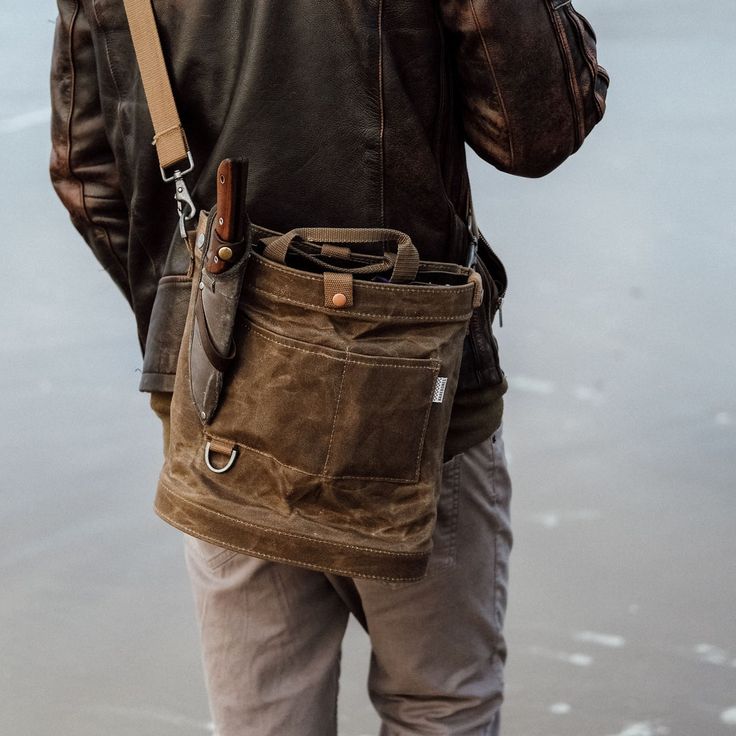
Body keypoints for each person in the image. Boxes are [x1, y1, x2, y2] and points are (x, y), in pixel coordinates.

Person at [50, 1, 608, 734]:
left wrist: (206, 324)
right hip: (416, 392)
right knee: (440, 705)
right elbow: (540, 129)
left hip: (219, 396)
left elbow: (87, 174)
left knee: (263, 718)